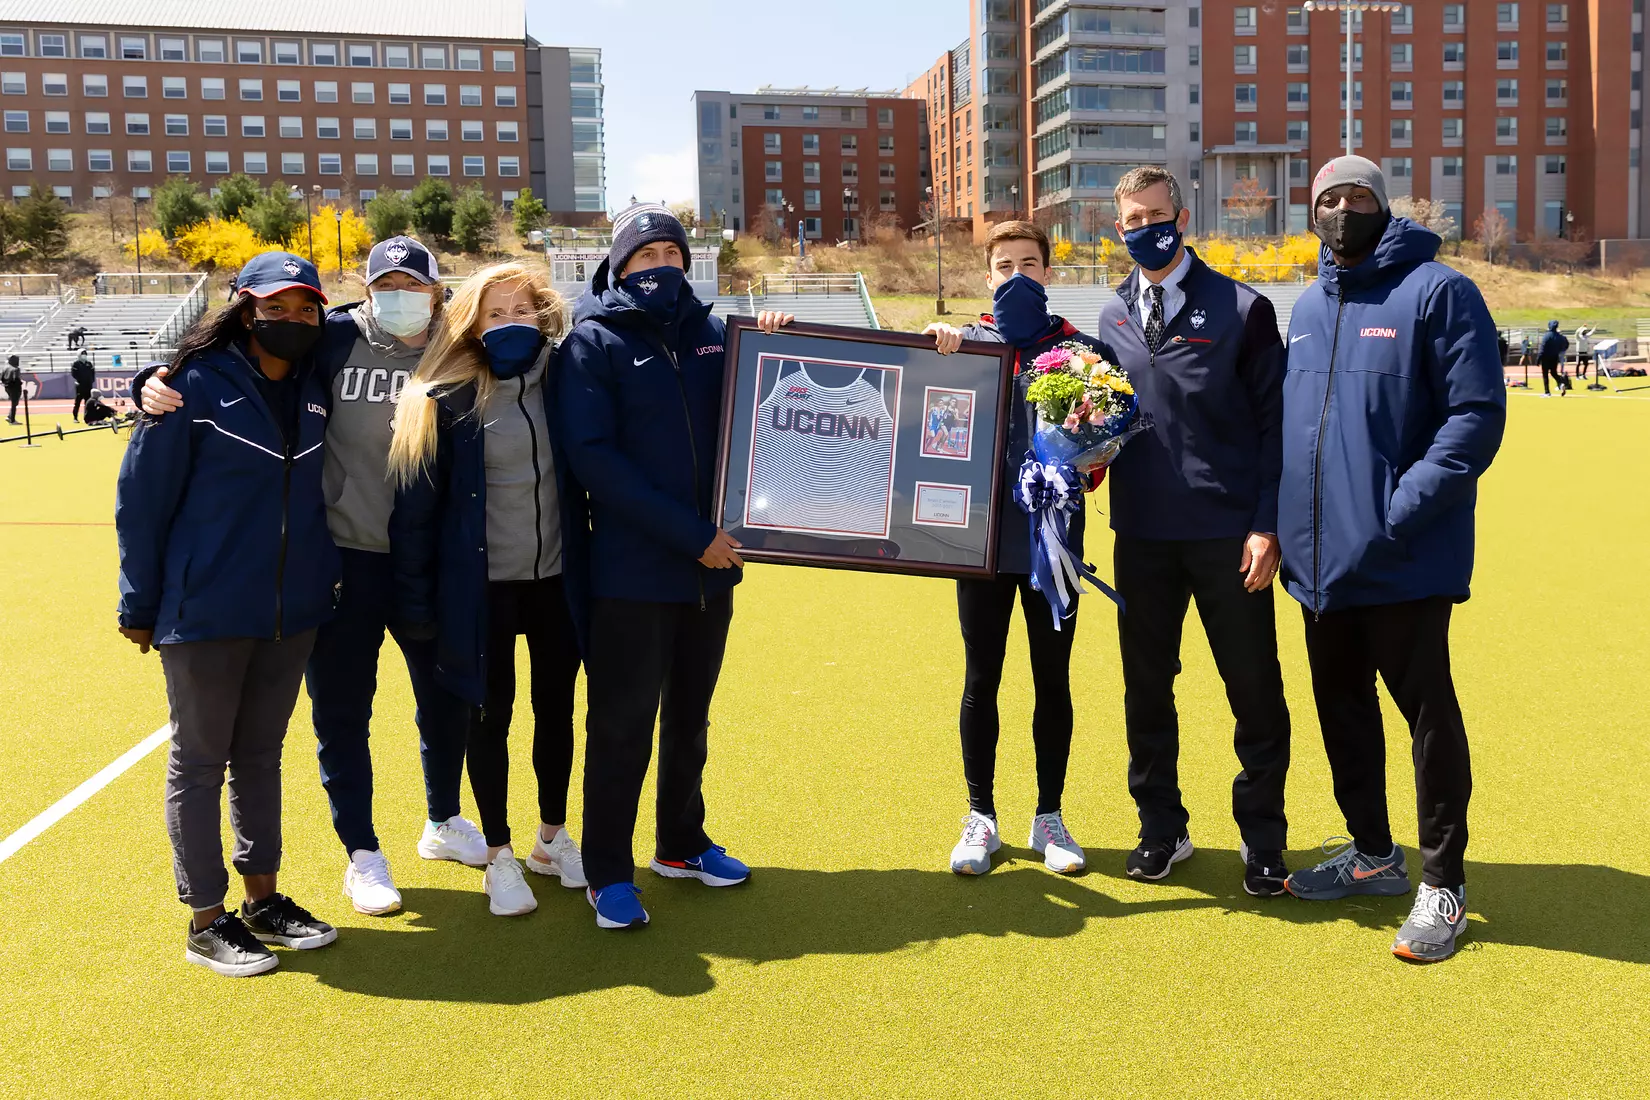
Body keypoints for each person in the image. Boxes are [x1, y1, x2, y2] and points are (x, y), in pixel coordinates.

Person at [135, 236, 486, 917]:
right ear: (366, 290)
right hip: (343, 556)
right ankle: (363, 853)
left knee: (446, 700)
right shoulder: (332, 337)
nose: (400, 297)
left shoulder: (459, 347)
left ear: (437, 292)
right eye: (386, 285)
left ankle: (443, 820)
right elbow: (248, 358)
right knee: (343, 710)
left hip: (431, 560)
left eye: (413, 285)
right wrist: (159, 377)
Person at [1279, 157, 1505, 963]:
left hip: (1403, 556)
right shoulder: (1309, 304)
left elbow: (1475, 416)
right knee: (1341, 710)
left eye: (1358, 196)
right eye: (1328, 198)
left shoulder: (1440, 292)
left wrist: (1397, 512)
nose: (1343, 209)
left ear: (1383, 205)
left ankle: (1444, 883)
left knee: (1427, 718)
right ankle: (1373, 853)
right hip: (1319, 563)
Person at [556, 203, 790, 929]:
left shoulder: (716, 335)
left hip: (711, 572)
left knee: (690, 719)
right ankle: (607, 872)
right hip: (633, 574)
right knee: (622, 726)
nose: (660, 266)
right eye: (645, 256)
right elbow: (596, 462)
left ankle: (681, 845)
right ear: (619, 266)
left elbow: (764, 413)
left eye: (671, 254)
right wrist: (692, 537)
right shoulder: (591, 341)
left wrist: (779, 345)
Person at [115, 251, 340, 978]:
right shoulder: (189, 387)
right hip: (206, 611)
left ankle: (263, 901)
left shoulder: (315, 384)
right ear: (245, 310)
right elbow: (141, 502)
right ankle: (206, 919)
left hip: (291, 612)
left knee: (261, 757)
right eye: (276, 307)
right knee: (200, 762)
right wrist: (138, 602)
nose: (292, 320)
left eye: (305, 308)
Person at [1072, 166, 1292, 895]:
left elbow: (1275, 429)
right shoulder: (1112, 315)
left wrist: (1267, 524)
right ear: (1119, 228)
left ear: (1183, 217)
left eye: (1156, 216)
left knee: (1253, 690)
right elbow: (1107, 423)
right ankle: (1161, 828)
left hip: (1229, 537)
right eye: (1132, 221)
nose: (1146, 229)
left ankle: (1263, 838)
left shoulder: (1244, 307)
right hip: (1141, 536)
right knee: (1145, 692)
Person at [388, 262, 588, 918]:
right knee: (489, 717)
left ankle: (551, 839)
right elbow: (415, 515)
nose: (510, 323)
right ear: (472, 323)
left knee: (557, 711)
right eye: (495, 313)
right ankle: (499, 856)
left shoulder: (569, 377)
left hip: (556, 579)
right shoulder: (443, 396)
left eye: (521, 310)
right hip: (481, 589)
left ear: (543, 315)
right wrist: (415, 604)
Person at [923, 220, 1108, 877]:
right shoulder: (963, 345)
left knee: (1053, 680)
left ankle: (1049, 817)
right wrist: (933, 350)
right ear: (987, 276)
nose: (1017, 276)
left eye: (1029, 264)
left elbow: (1097, 461)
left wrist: (1083, 457)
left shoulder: (1082, 353)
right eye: (1004, 266)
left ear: (1048, 272)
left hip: (1053, 546)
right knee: (982, 677)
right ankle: (981, 816)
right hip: (978, 543)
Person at [1538, 319, 1569, 397]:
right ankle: (1561, 383)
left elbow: (1542, 348)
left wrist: (1538, 358)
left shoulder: (1547, 336)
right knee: (1553, 373)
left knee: (1545, 374)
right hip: (1555, 357)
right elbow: (1565, 345)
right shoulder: (1560, 336)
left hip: (1545, 357)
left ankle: (1547, 392)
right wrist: (1560, 350)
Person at [70, 348, 95, 422]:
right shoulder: (76, 364)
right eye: (82, 354)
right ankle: (75, 417)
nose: (84, 355)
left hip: (88, 385)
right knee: (77, 402)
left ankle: (86, 417)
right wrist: (80, 380)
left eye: (85, 354)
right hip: (80, 386)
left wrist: (91, 381)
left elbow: (92, 373)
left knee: (88, 403)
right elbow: (74, 374)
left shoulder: (89, 364)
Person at [2, 354, 20, 424]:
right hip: (14, 387)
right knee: (14, 403)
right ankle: (12, 420)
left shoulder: (5, 368)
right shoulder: (16, 369)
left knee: (14, 403)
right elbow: (16, 379)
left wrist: (6, 383)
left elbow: (1, 378)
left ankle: (10, 416)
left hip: (7, 387)